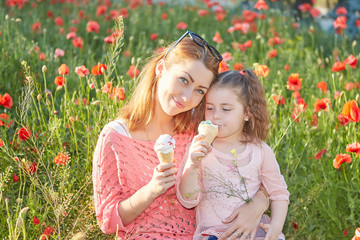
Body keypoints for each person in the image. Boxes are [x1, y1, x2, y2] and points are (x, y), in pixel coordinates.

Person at [92, 31, 270, 239]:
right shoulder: (115, 138)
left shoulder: (200, 132)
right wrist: (151, 190)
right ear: (161, 68)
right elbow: (108, 220)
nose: (187, 97)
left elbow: (259, 173)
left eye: (199, 91)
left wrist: (256, 206)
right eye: (184, 80)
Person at [177, 70, 290, 240]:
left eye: (226, 109)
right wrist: (191, 166)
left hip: (254, 232)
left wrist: (275, 228)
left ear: (247, 113)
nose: (216, 116)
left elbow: (279, 192)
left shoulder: (260, 151)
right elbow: (188, 199)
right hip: (214, 234)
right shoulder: (199, 148)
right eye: (210, 108)